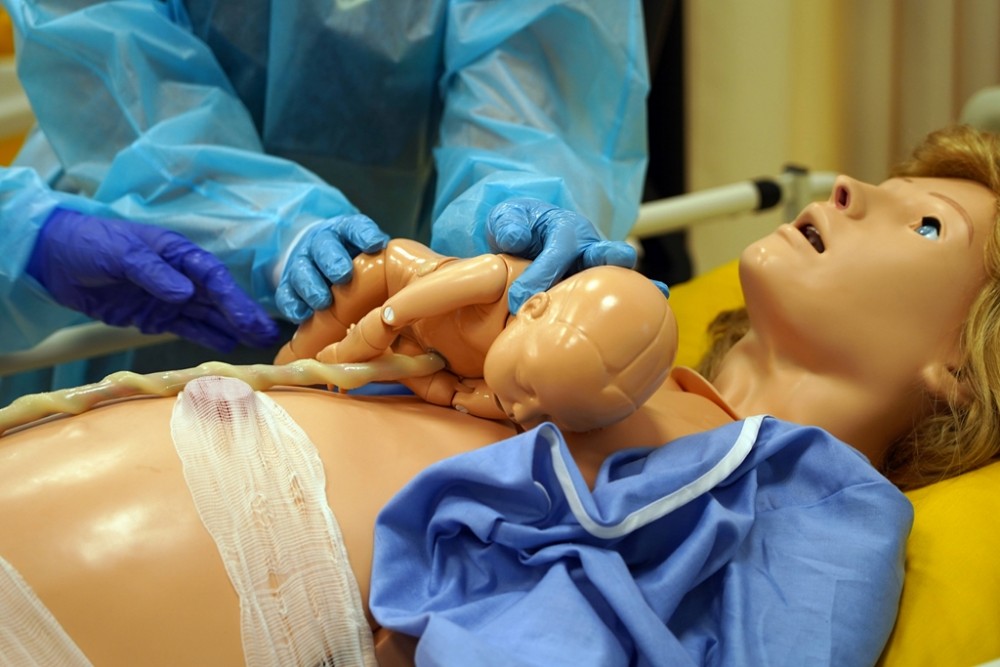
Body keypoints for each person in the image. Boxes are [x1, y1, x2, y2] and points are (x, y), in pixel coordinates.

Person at [0, 124, 997, 666]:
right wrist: (386, 312)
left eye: (926, 227)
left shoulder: (829, 508)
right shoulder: (640, 360)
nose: (847, 188)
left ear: (963, 365)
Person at [0, 0, 647, 354]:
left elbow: (534, 83)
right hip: (141, 237)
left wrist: (521, 209)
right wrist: (273, 231)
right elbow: (117, 76)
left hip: (417, 306)